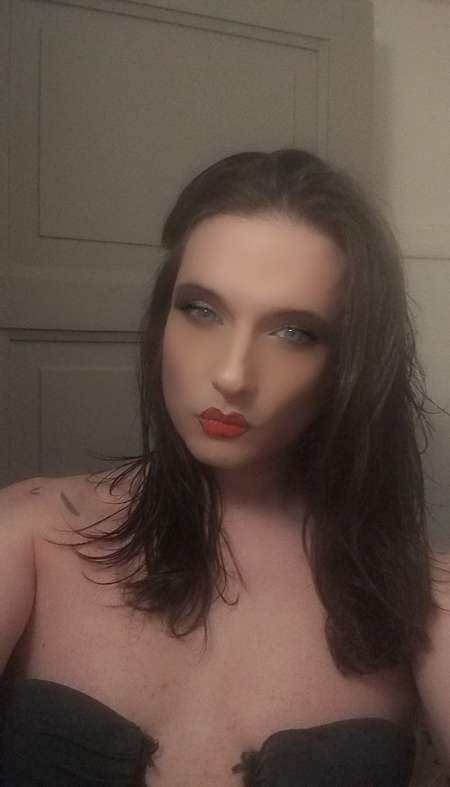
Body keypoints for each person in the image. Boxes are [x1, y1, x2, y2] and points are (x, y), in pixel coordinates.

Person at [0, 149, 448, 787]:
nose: (233, 375)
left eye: (293, 332)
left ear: (348, 364)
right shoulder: (31, 536)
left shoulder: (418, 598)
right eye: (201, 310)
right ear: (163, 317)